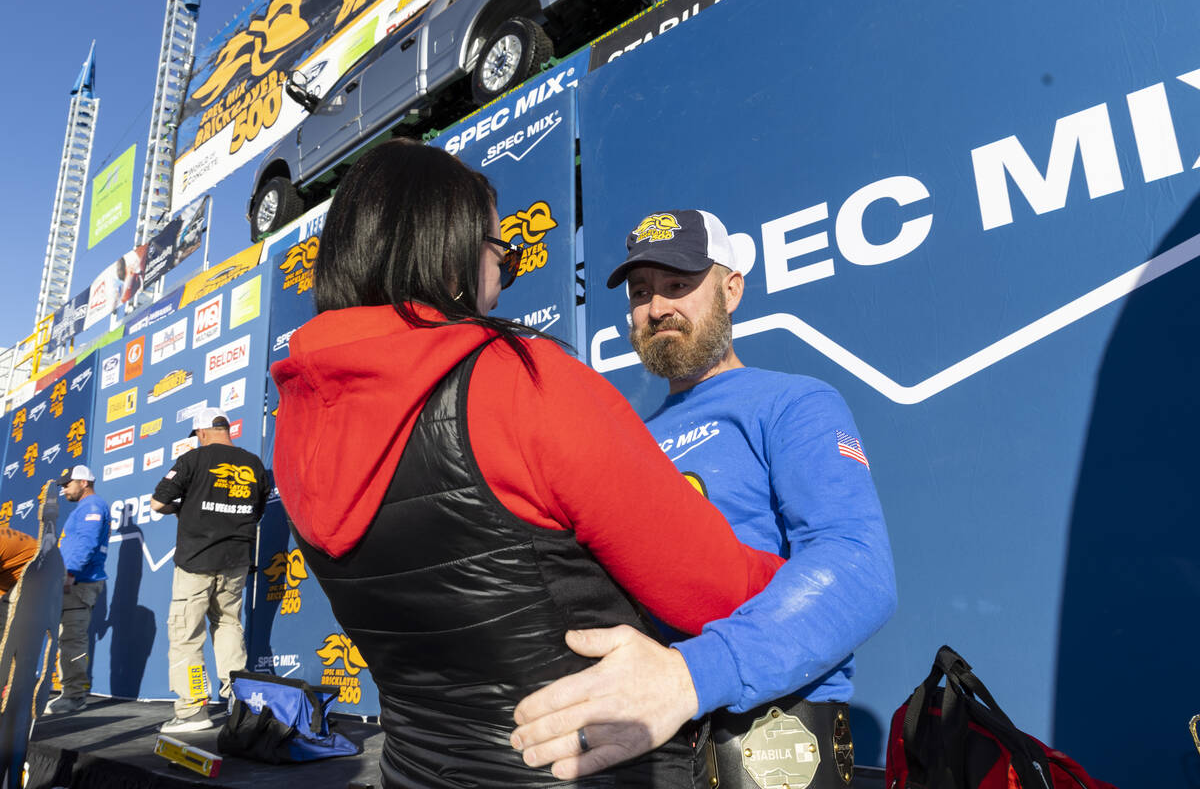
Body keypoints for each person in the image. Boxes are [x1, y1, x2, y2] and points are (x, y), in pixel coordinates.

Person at [269, 140, 786, 788]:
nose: (503, 275)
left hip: (418, 771)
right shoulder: (519, 382)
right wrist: (815, 583)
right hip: (588, 769)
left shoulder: (296, 416)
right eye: (497, 253)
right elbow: (719, 592)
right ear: (449, 253)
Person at [510, 210, 897, 786]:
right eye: (641, 293)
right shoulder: (629, 438)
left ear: (731, 288)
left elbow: (857, 568)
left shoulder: (793, 402)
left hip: (767, 733)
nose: (658, 307)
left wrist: (688, 677)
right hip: (642, 743)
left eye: (678, 285)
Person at [150, 408, 268, 733]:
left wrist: (186, 508)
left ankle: (192, 711)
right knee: (229, 624)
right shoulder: (254, 464)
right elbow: (256, 512)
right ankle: (238, 703)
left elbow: (158, 504)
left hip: (196, 561)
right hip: (236, 560)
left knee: (187, 635)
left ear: (201, 432)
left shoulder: (193, 460)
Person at [44, 465, 110, 715]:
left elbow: (87, 542)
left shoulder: (92, 506)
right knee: (66, 638)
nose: (63, 489)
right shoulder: (85, 507)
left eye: (67, 484)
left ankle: (74, 696)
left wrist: (70, 573)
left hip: (79, 581)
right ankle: (70, 693)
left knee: (72, 638)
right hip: (74, 580)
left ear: (83, 482)